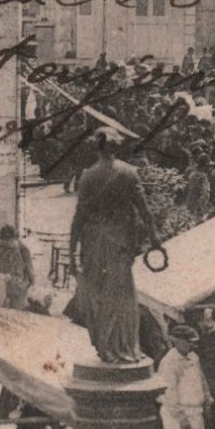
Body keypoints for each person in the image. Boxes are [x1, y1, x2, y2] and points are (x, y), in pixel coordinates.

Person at [69, 129, 160, 364]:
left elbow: (79, 217)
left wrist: (71, 251)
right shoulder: (129, 173)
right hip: (120, 243)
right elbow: (145, 210)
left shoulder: (88, 176)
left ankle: (105, 347)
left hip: (93, 244)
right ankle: (125, 346)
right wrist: (154, 237)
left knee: (98, 295)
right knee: (122, 294)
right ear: (116, 148)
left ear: (97, 148)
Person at [157, 324, 210, 429]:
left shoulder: (194, 357)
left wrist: (206, 397)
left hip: (195, 413)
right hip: (177, 415)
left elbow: (201, 379)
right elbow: (169, 392)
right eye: (189, 342)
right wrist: (181, 417)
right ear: (177, 341)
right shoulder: (169, 362)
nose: (193, 345)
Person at [0, 224, 34, 309]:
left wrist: (28, 283)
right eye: (5, 241)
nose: (8, 244)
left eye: (10, 241)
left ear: (15, 238)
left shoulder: (23, 250)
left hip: (18, 287)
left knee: (15, 312)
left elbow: (30, 272)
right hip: (0, 285)